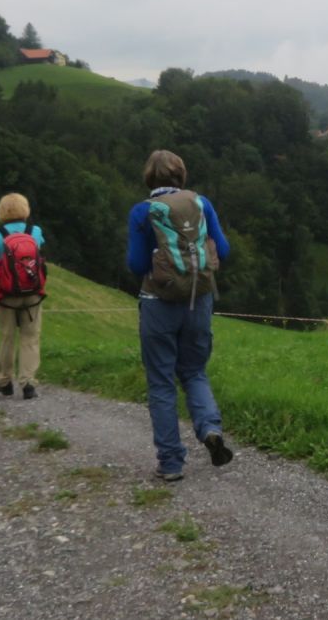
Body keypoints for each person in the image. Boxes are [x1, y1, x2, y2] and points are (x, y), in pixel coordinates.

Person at [126, 149, 234, 482]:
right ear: (181, 175)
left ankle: (171, 463)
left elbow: (136, 264)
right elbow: (224, 250)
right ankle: (210, 429)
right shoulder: (202, 204)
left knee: (161, 383)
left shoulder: (142, 212)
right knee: (194, 371)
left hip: (157, 303)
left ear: (150, 178)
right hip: (198, 300)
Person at [0, 193, 46, 400]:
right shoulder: (35, 231)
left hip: (6, 293)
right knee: (30, 337)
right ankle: (28, 383)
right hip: (32, 293)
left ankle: (5, 381)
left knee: (7, 337)